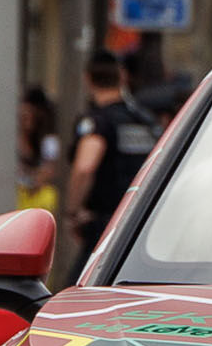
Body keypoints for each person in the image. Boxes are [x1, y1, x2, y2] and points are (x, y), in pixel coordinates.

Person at [66, 52, 162, 261]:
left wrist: (73, 212)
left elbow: (85, 167)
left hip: (105, 224)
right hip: (144, 221)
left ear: (88, 79)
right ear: (122, 77)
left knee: (84, 289)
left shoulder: (98, 121)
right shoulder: (144, 120)